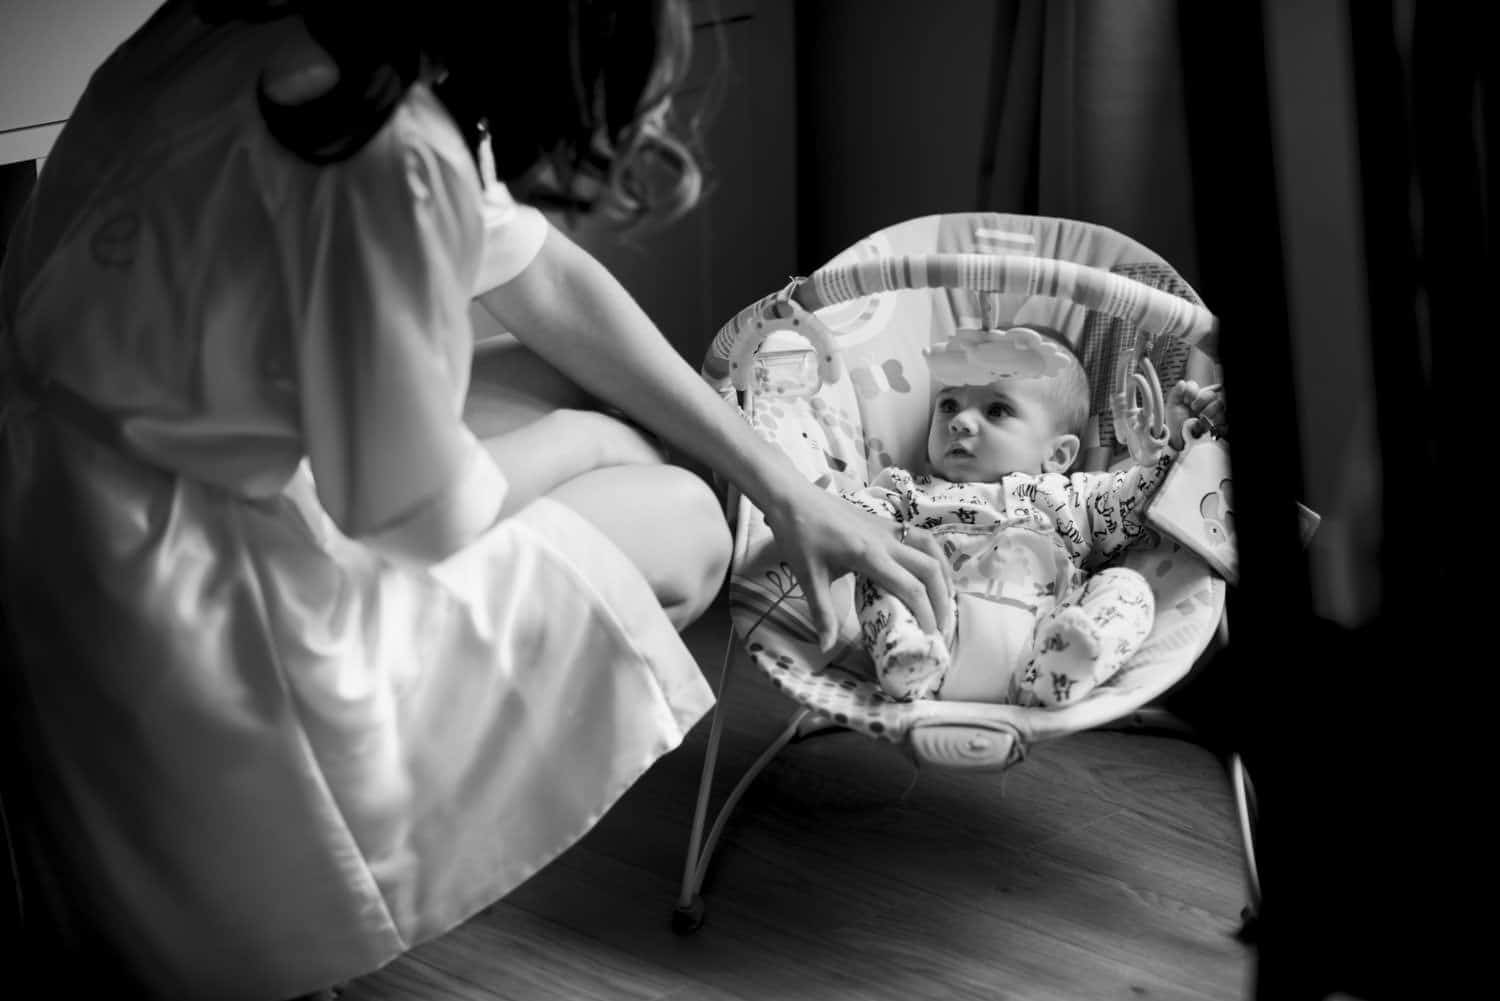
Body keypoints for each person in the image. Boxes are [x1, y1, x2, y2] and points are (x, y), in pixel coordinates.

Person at [0, 2, 952, 998]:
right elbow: (416, 517)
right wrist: (591, 444)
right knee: (683, 523)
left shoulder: (299, 31)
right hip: (176, 608)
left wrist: (786, 483)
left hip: (85, 489)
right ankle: (308, 871)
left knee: (602, 391)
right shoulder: (391, 151)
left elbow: (542, 278)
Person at [841, 326, 1224, 707]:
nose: (959, 422)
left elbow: (1137, 499)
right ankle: (902, 653)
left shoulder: (1071, 496)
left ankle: (1066, 666)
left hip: (1041, 649)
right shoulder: (906, 490)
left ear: (1057, 456)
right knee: (878, 565)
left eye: (996, 410)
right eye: (949, 405)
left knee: (1130, 589)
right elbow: (852, 524)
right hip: (931, 634)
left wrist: (1176, 441)